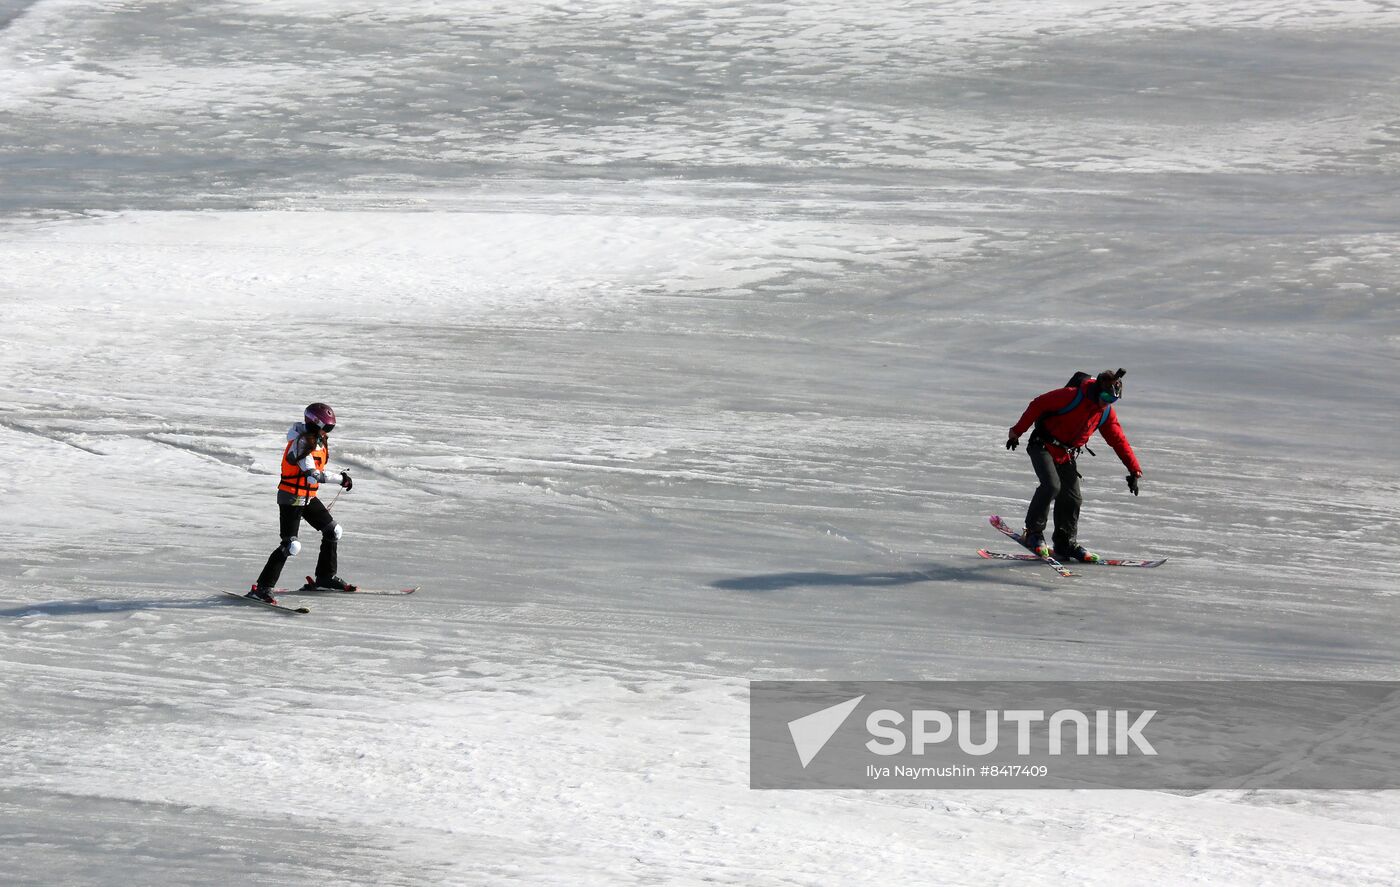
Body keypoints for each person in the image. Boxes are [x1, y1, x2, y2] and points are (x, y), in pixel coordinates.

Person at [1005, 369, 1143, 562]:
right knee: (1051, 486)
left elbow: (1119, 441)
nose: (1107, 402)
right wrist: (1016, 432)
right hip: (1042, 445)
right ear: (1097, 390)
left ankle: (1065, 542)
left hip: (1066, 454)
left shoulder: (1105, 413)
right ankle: (1033, 533)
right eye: (1105, 397)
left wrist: (1134, 470)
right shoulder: (1071, 396)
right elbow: (1038, 405)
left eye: (1112, 400)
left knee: (1072, 498)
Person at [248, 402, 356, 602]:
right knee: (291, 545)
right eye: (326, 426)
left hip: (308, 497)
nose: (327, 431)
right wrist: (341, 479)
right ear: (316, 423)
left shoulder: (318, 440)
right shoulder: (301, 442)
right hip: (291, 497)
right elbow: (313, 474)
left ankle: (325, 577)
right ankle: (262, 588)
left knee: (333, 531)